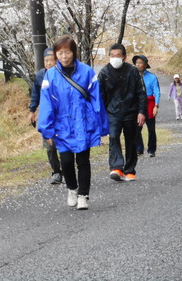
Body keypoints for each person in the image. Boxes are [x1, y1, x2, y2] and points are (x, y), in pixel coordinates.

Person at [37, 36, 108, 210]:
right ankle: (72, 188)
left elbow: (96, 99)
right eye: (60, 53)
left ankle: (84, 195)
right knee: (66, 160)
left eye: (67, 52)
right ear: (55, 54)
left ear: (74, 52)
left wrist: (101, 124)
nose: (64, 56)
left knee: (83, 160)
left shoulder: (87, 72)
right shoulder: (50, 75)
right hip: (62, 125)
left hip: (84, 122)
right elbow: (46, 104)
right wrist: (47, 130)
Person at [97, 43, 147, 182]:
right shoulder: (104, 72)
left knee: (131, 140)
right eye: (112, 56)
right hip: (112, 112)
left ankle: (130, 170)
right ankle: (116, 167)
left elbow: (141, 92)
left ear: (124, 57)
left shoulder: (133, 71)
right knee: (113, 137)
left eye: (118, 56)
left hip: (131, 111)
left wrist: (142, 111)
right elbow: (100, 96)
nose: (115, 58)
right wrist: (101, 115)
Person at [28, 47, 63, 184]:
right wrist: (32, 111)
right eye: (46, 60)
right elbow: (35, 95)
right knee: (50, 145)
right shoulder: (40, 76)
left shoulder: (62, 74)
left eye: (51, 60)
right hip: (46, 115)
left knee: (63, 144)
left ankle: (67, 170)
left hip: (61, 114)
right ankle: (56, 172)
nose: (48, 63)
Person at [132, 55, 160, 157]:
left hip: (150, 104)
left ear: (145, 64)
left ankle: (151, 149)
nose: (138, 65)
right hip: (138, 104)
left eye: (140, 62)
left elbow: (157, 91)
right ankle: (139, 148)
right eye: (137, 63)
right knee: (137, 128)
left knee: (151, 129)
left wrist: (156, 105)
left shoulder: (152, 77)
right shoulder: (133, 76)